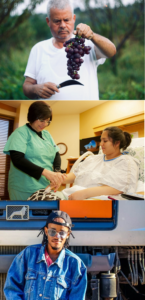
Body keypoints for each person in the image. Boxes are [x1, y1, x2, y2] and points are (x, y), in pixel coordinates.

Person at [23, 0, 116, 100]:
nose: (62, 25)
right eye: (57, 21)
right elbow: (27, 86)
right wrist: (35, 89)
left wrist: (92, 36)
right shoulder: (38, 49)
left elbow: (111, 51)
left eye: (66, 20)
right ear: (48, 22)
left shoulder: (86, 45)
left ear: (73, 18)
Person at [28, 126, 139, 200]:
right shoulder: (94, 159)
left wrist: (84, 193)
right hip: (71, 195)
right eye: (101, 140)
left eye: (105, 141)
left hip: (91, 200)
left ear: (117, 143)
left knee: (42, 207)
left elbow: (117, 188)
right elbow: (75, 175)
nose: (101, 144)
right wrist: (60, 178)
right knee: (36, 198)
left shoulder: (126, 162)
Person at [4, 210, 87, 300]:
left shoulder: (76, 265)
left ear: (68, 234)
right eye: (52, 231)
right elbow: (12, 288)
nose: (57, 236)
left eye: (62, 232)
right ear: (46, 231)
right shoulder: (28, 255)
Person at [3, 101, 66, 200]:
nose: (45, 124)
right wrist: (46, 173)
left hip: (44, 187)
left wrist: (56, 172)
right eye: (42, 120)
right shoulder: (21, 133)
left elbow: (56, 154)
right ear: (32, 117)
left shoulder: (47, 135)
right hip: (24, 188)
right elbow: (17, 159)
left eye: (48, 121)